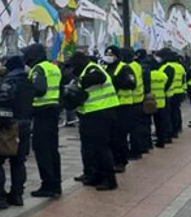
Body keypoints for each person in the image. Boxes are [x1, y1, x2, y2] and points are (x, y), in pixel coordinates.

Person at [64, 51, 119, 191]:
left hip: (102, 112)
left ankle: (109, 180)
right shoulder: (83, 72)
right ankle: (94, 175)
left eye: (73, 67)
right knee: (90, 148)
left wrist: (80, 82)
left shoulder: (92, 68)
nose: (72, 70)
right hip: (89, 114)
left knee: (101, 148)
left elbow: (99, 77)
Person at [0, 55, 34, 208]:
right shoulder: (28, 81)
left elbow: (0, 102)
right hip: (25, 124)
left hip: (9, 126)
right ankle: (17, 195)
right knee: (19, 161)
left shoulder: (10, 82)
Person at [23, 44, 62, 198]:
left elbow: (39, 89)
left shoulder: (38, 69)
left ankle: (48, 185)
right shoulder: (53, 68)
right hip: (53, 110)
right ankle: (56, 184)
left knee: (42, 149)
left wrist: (28, 89)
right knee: (52, 150)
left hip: (42, 112)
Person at [101, 46, 136, 172]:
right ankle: (112, 160)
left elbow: (132, 84)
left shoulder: (125, 68)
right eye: (107, 54)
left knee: (120, 136)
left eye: (111, 55)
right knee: (110, 136)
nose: (109, 57)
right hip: (109, 105)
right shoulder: (104, 67)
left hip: (123, 106)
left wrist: (117, 82)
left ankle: (121, 161)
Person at [130, 49, 151, 157]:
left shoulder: (138, 66)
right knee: (144, 122)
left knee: (137, 125)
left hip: (135, 99)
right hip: (143, 96)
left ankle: (139, 148)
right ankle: (146, 145)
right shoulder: (143, 66)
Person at [149, 57, 172, 147]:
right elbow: (167, 85)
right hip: (161, 101)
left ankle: (149, 142)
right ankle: (161, 140)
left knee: (149, 122)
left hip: (150, 101)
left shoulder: (149, 75)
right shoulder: (163, 75)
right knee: (160, 122)